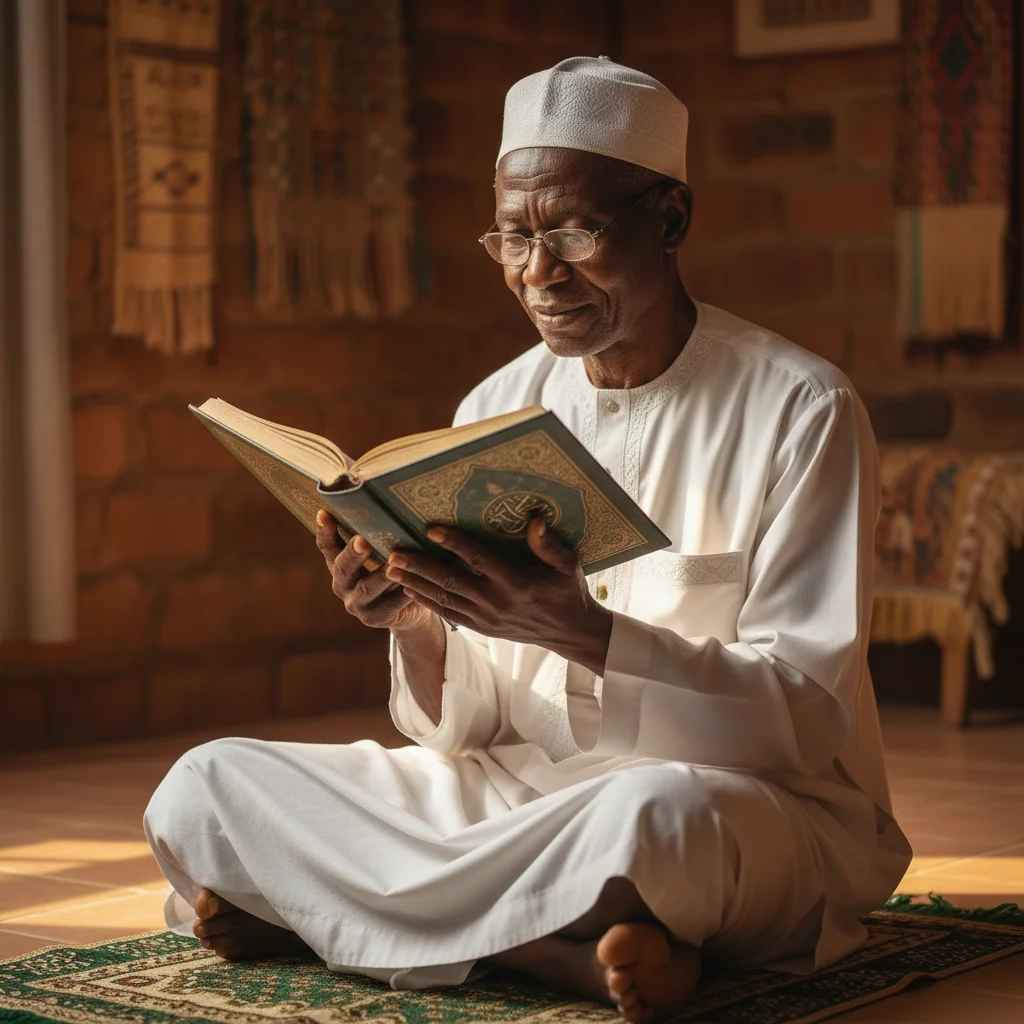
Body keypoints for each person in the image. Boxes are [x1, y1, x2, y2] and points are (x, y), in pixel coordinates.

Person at [144, 56, 911, 1023]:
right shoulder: (497, 406)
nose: (537, 274)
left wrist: (583, 634)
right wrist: (418, 621)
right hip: (515, 799)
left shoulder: (801, 407)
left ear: (669, 219)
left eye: (575, 233)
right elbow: (466, 732)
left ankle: (325, 920)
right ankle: (550, 950)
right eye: (512, 237)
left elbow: (804, 720)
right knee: (203, 786)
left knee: (655, 824)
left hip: (745, 802)